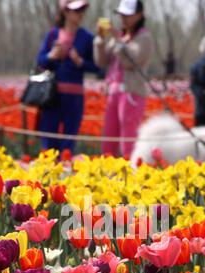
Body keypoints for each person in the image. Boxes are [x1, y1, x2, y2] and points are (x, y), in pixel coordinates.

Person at [37, 0, 99, 154]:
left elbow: (97, 66)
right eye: (76, 10)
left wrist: (80, 62)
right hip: (52, 96)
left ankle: (65, 172)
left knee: (68, 142)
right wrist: (51, 56)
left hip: (74, 97)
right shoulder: (53, 34)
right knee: (49, 140)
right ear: (65, 11)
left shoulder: (86, 37)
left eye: (82, 10)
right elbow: (40, 61)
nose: (80, 14)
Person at [94, 0, 153, 158]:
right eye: (122, 14)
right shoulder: (119, 36)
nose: (124, 18)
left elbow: (130, 60)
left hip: (131, 94)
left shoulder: (144, 37)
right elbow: (101, 61)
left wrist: (118, 38)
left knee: (129, 140)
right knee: (109, 139)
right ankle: (107, 175)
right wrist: (100, 39)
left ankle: (131, 174)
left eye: (128, 14)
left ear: (139, 15)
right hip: (113, 93)